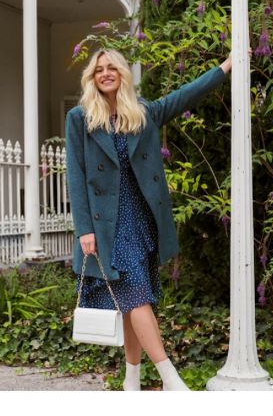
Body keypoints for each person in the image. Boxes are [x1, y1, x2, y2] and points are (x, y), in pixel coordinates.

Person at [65, 48, 233, 391]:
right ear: (92, 78)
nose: (106, 74)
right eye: (99, 70)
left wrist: (225, 67)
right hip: (106, 224)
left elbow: (184, 95)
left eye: (112, 68)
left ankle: (131, 380)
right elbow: (76, 175)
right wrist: (84, 229)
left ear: (122, 73)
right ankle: (170, 378)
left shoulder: (142, 113)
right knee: (136, 297)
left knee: (133, 300)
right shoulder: (79, 118)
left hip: (140, 218)